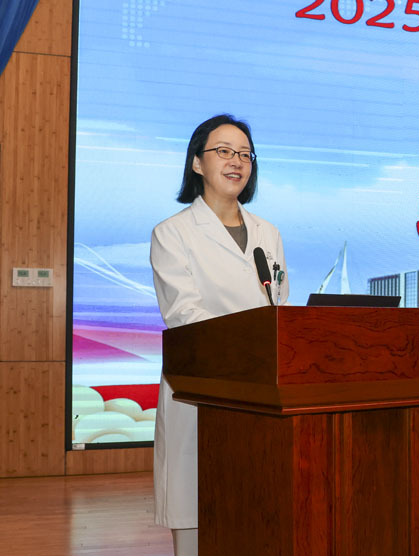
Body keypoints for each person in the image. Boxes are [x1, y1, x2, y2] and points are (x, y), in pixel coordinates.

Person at [150, 114, 288, 556]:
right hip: (201, 388)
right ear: (197, 163)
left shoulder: (268, 233)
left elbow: (279, 307)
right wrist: (251, 344)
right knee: (197, 512)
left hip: (261, 392)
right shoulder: (172, 233)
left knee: (257, 512)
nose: (237, 161)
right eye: (224, 151)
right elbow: (184, 314)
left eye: (245, 154)